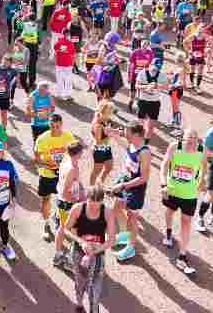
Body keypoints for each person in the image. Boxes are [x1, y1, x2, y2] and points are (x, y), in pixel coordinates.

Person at [63, 185, 116, 313]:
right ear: (86, 199)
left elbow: (111, 240)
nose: (93, 208)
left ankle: (94, 309)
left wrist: (94, 251)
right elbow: (66, 229)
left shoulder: (107, 212)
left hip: (98, 254)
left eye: (97, 205)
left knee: (95, 287)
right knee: (80, 281)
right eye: (91, 204)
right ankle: (80, 304)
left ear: (102, 202)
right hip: (78, 252)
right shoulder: (77, 209)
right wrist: (81, 242)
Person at [160, 129, 207, 274]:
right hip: (172, 190)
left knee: (186, 222)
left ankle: (182, 253)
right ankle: (168, 233)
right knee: (169, 212)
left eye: (195, 137)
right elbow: (164, 165)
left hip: (189, 194)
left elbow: (205, 167)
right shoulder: (175, 147)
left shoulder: (201, 150)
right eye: (189, 137)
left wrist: (202, 181)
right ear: (183, 138)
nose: (192, 140)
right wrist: (163, 183)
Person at [111, 121, 151, 262]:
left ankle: (131, 248)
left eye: (127, 132)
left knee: (132, 217)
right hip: (125, 180)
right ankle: (125, 235)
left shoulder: (144, 152)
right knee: (116, 208)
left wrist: (123, 186)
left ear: (135, 134)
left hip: (135, 187)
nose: (125, 134)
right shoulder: (132, 145)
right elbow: (124, 145)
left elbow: (144, 178)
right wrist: (113, 134)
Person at [34, 113, 76, 241]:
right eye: (52, 126)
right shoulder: (42, 139)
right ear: (49, 125)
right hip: (47, 175)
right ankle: (46, 225)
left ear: (62, 125)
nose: (55, 129)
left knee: (65, 199)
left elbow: (75, 154)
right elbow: (36, 160)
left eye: (58, 127)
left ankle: (59, 217)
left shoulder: (68, 137)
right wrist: (48, 165)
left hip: (63, 175)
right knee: (46, 200)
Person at [53, 142, 87, 268]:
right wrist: (77, 202)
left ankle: (59, 254)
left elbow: (75, 183)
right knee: (70, 230)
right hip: (67, 203)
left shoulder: (67, 159)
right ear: (78, 153)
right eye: (81, 152)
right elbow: (65, 192)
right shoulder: (72, 169)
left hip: (64, 202)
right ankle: (65, 259)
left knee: (63, 228)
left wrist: (82, 191)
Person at [135, 60, 170, 141]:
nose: (155, 70)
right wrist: (146, 86)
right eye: (153, 68)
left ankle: (146, 141)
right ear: (150, 65)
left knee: (151, 126)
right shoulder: (142, 73)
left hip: (154, 102)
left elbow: (167, 86)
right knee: (140, 123)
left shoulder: (162, 75)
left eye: (157, 68)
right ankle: (139, 139)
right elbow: (137, 86)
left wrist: (157, 85)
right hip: (143, 101)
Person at [53, 33, 77, 101]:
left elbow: (55, 51)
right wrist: (72, 64)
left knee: (59, 80)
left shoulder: (58, 42)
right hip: (68, 65)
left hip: (59, 64)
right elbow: (73, 55)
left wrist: (56, 61)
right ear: (68, 35)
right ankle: (67, 95)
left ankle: (59, 94)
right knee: (68, 80)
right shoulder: (70, 44)